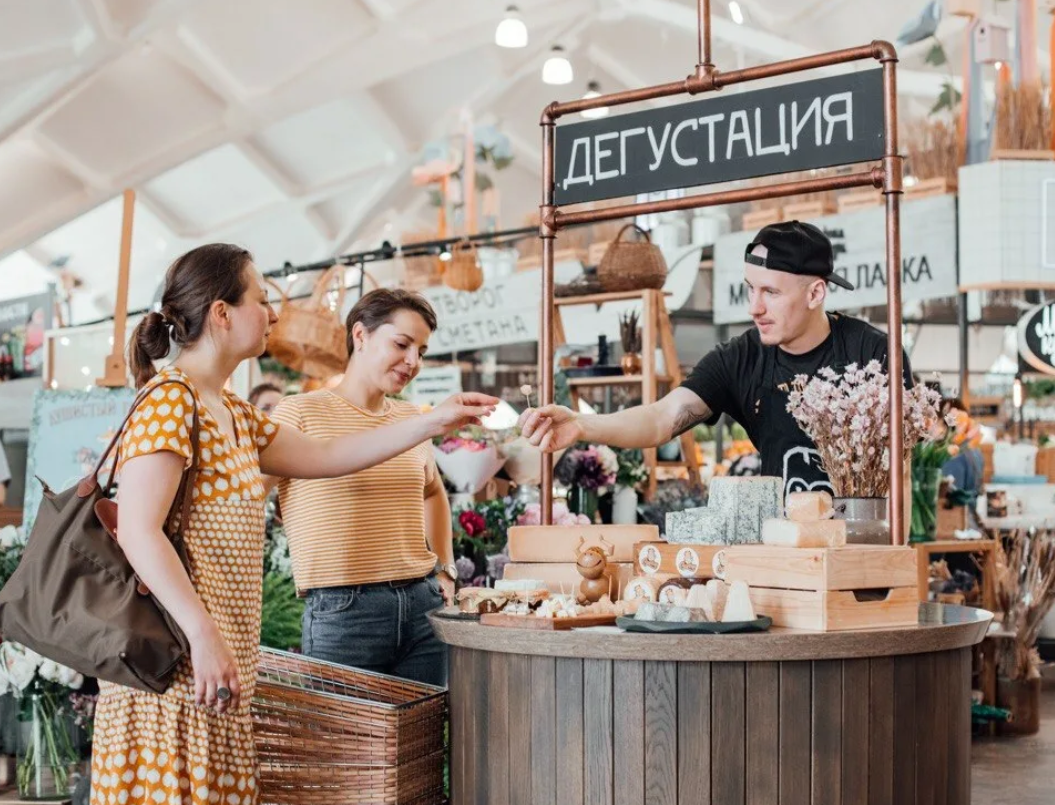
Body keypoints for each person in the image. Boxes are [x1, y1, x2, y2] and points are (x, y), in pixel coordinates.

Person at [90, 244, 497, 805]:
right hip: (175, 666)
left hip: (216, 668)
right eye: (262, 299)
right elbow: (138, 531)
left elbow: (333, 457)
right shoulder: (168, 401)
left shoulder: (233, 412)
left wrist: (432, 420)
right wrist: (203, 636)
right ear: (221, 313)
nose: (275, 312)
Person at [520, 220, 912, 500]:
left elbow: (901, 475)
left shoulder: (872, 355)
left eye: (771, 292)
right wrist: (580, 424)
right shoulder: (741, 357)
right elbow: (661, 418)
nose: (754, 308)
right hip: (781, 557)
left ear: (815, 294)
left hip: (860, 553)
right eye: (749, 289)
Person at [265, 289, 456, 686]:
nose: (412, 362)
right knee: (344, 747)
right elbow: (247, 493)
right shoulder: (298, 412)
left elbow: (433, 492)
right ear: (361, 335)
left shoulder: (410, 419)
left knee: (422, 743)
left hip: (423, 608)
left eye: (421, 351)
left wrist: (446, 570)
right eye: (402, 344)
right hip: (343, 614)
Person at [940, 397, 984, 500]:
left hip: (956, 511)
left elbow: (952, 494)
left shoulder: (955, 455)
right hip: (969, 510)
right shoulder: (975, 450)